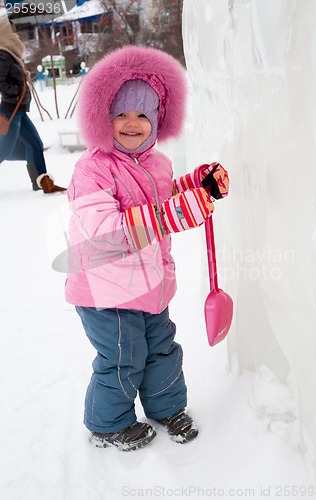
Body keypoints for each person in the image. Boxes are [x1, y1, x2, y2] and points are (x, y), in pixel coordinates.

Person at [65, 45, 229, 451]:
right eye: (121, 113)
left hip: (151, 285)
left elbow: (160, 197)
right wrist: (176, 213)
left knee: (161, 349)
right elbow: (106, 231)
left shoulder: (157, 163)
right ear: (102, 117)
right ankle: (108, 424)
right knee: (124, 358)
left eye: (143, 114)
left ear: (159, 120)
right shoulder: (93, 169)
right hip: (105, 293)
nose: (132, 123)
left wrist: (195, 186)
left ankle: (166, 407)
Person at [0, 16, 66, 193]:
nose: (18, 36)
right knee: (4, 151)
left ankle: (43, 183)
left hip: (19, 111)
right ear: (6, 33)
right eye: (14, 32)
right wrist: (17, 89)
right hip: (10, 110)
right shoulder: (3, 54)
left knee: (35, 144)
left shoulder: (11, 54)